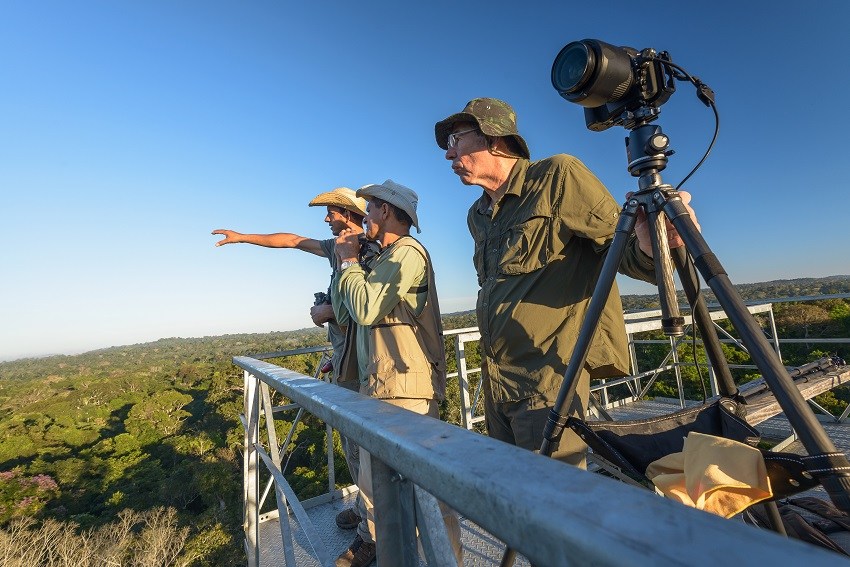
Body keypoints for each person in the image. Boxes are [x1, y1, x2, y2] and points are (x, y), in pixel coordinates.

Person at [433, 97, 699, 468]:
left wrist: (654, 244)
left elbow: (621, 253)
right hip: (497, 384)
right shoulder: (477, 215)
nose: (449, 155)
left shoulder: (558, 176)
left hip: (549, 381)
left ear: (493, 138)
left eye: (455, 140)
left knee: (555, 502)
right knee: (512, 492)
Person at [212, 186, 372, 531]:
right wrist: (243, 237)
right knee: (356, 447)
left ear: (349, 214)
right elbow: (292, 240)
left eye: (331, 213)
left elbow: (370, 306)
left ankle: (372, 529)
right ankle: (365, 509)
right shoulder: (337, 248)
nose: (327, 219)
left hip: (363, 364)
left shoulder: (370, 249)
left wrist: (329, 311)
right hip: (346, 359)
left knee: (363, 449)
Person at [333, 180, 463, 567]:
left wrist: (349, 263)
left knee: (429, 487)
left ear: (385, 210)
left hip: (406, 387)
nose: (364, 217)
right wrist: (348, 262)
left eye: (369, 209)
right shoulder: (379, 257)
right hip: (378, 385)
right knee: (378, 487)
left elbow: (368, 308)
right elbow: (345, 316)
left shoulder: (407, 254)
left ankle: (448, 561)